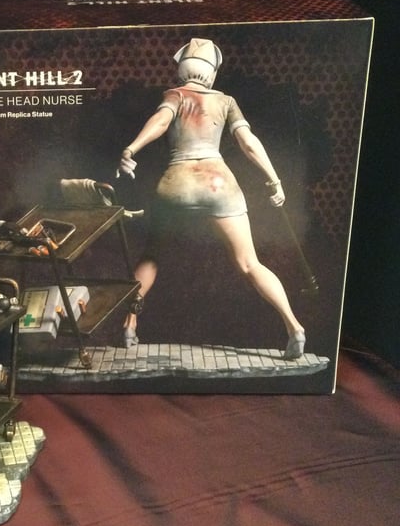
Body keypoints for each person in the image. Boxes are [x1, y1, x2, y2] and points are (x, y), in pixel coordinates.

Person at [117, 39, 306, 360]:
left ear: (182, 69)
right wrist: (274, 179)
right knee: (250, 263)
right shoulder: (226, 101)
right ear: (212, 72)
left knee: (151, 257)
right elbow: (248, 142)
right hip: (218, 184)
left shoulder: (175, 95)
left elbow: (161, 122)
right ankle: (294, 327)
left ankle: (129, 324)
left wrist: (131, 149)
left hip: (176, 185)